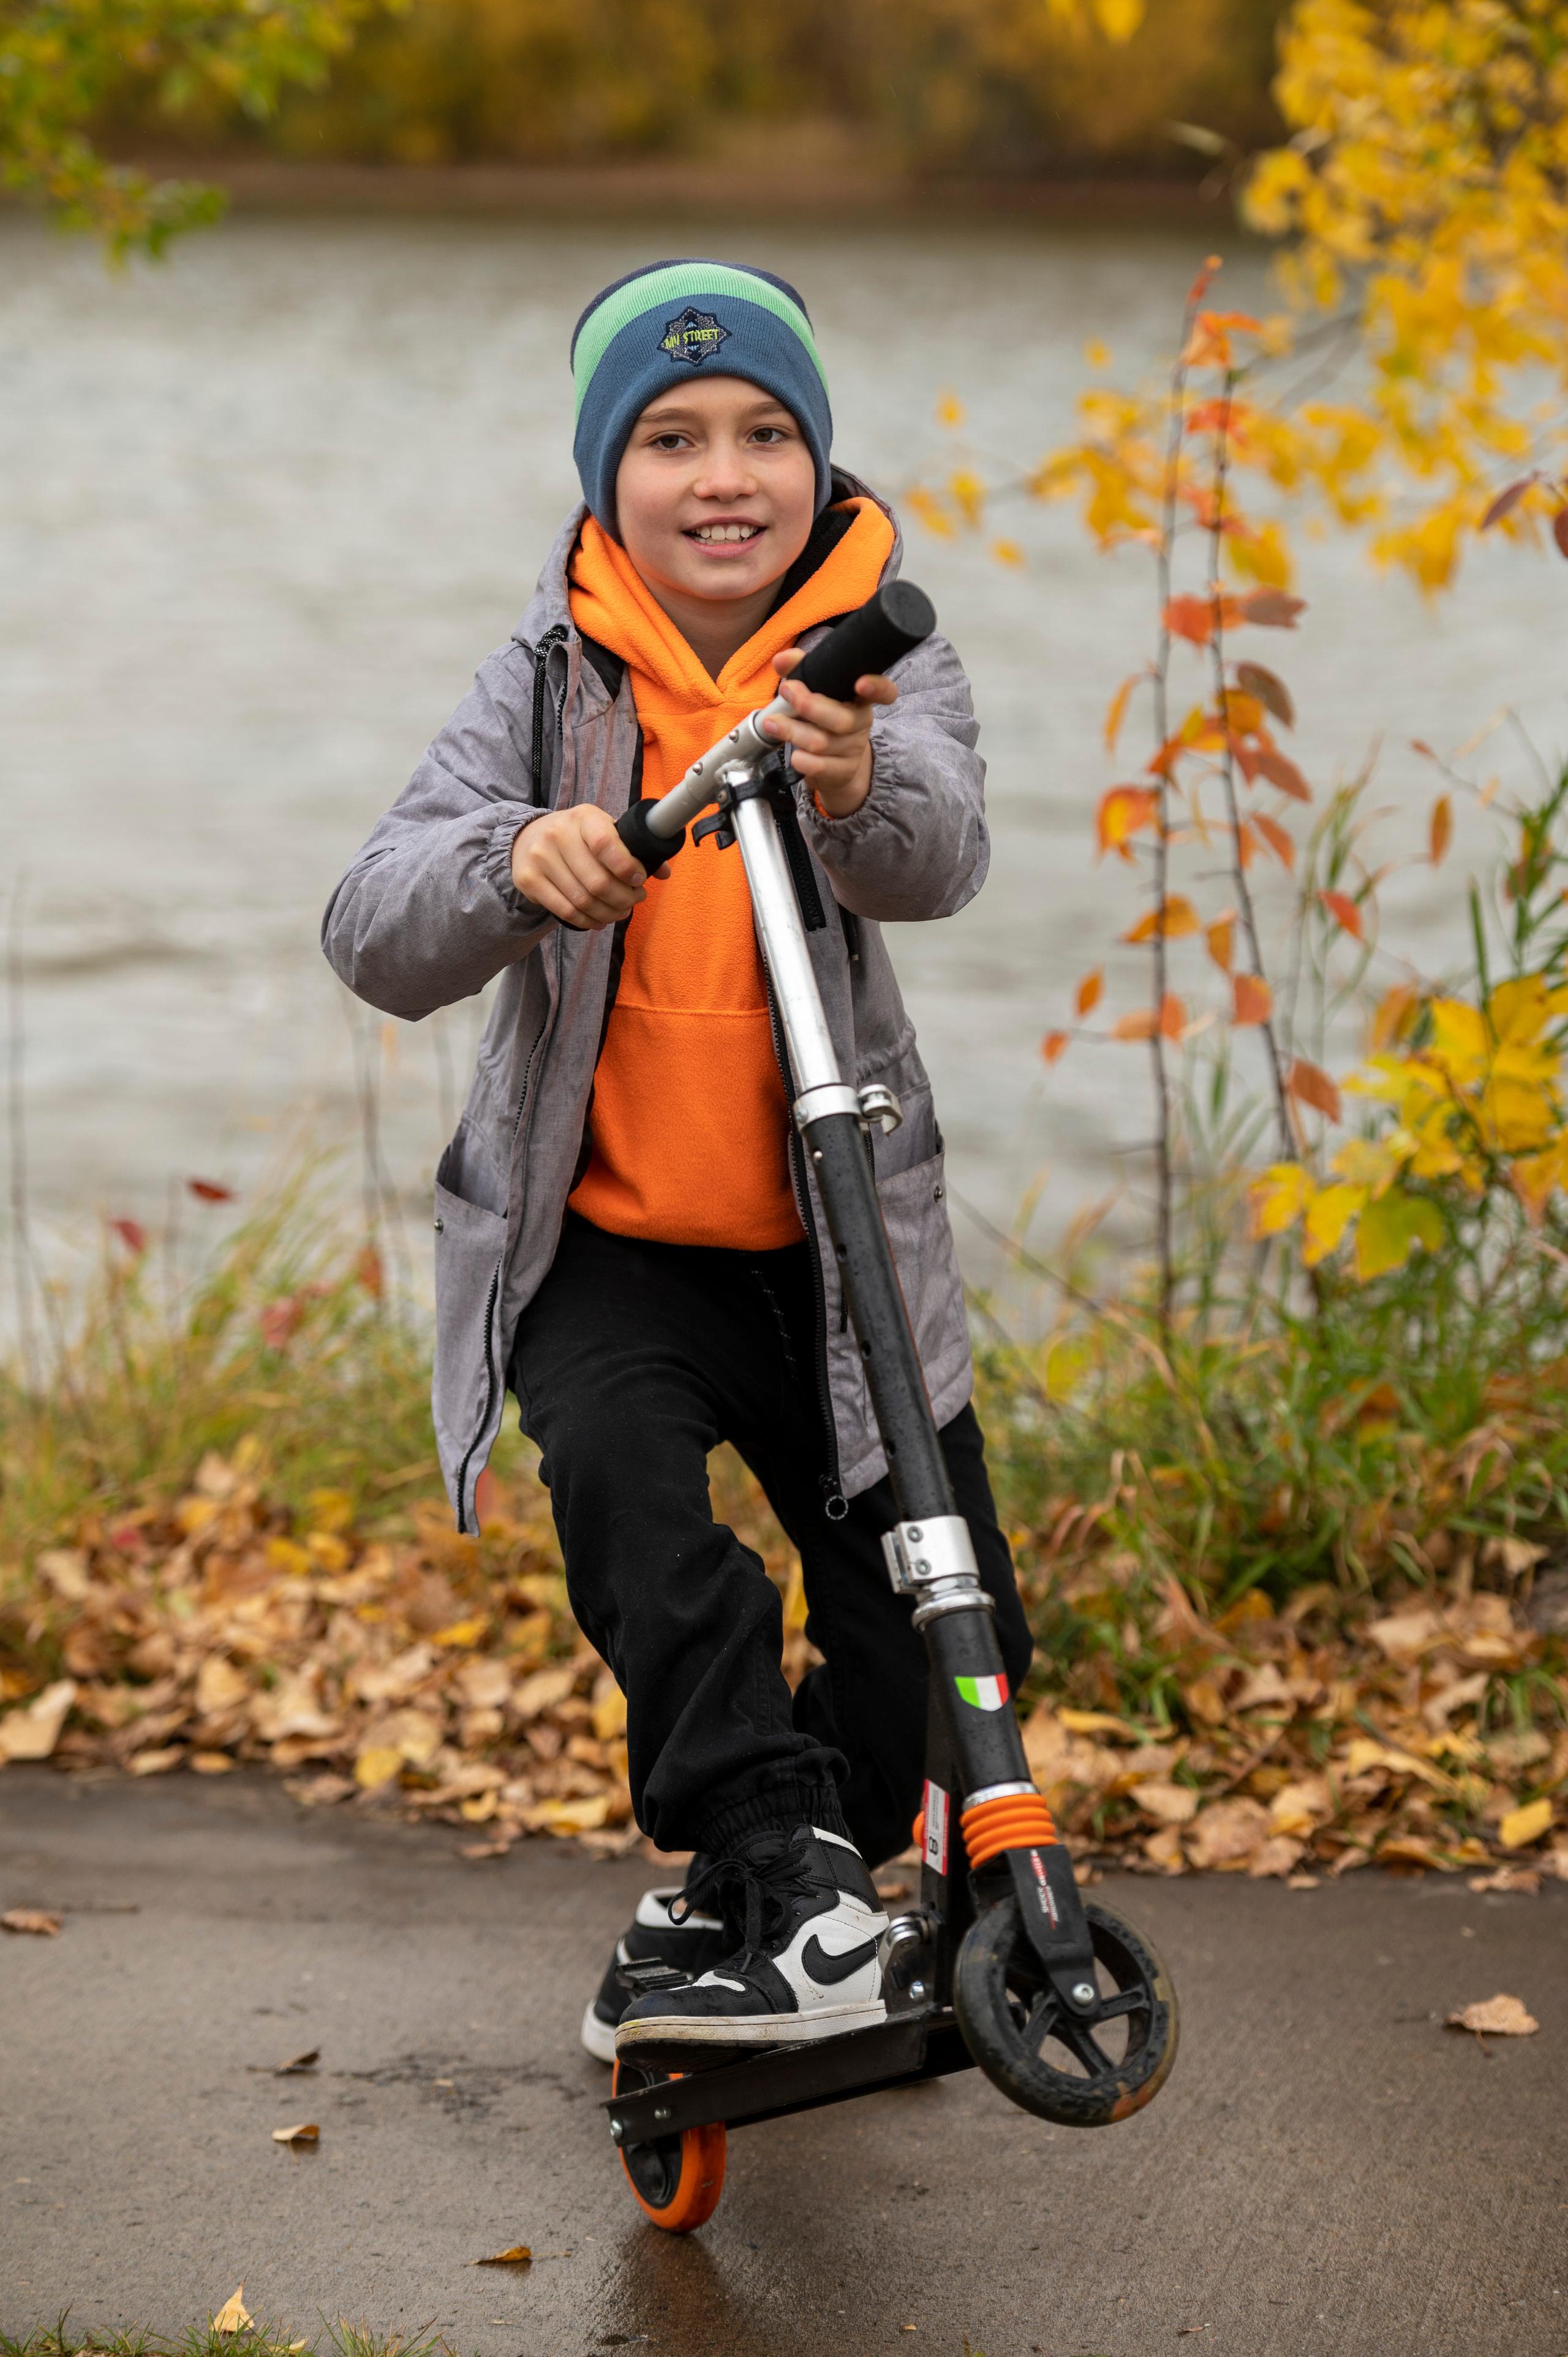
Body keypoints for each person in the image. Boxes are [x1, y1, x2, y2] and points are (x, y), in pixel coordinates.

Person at [323, 258, 1033, 2061]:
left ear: (816, 461)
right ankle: (774, 1854)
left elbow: (938, 852)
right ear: (602, 476)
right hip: (613, 1239)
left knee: (949, 1640)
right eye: (670, 438)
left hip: (837, 1248)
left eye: (765, 434)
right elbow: (371, 926)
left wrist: (857, 774)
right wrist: (516, 860)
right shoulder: (547, 679)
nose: (724, 474)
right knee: (644, 1516)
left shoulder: (881, 654)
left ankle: (770, 1889)